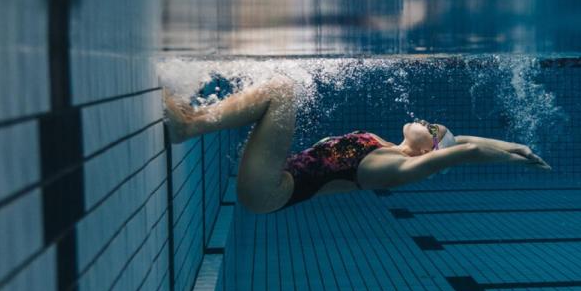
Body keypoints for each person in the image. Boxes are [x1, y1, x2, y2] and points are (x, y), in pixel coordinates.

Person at [163, 75, 551, 214]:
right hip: (274, 177)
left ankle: (189, 126)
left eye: (430, 129)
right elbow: (463, 140)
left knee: (281, 90)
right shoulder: (388, 145)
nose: (424, 122)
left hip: (269, 191)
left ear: (427, 152)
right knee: (278, 88)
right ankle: (194, 116)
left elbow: (462, 151)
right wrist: (516, 144)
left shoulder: (397, 169)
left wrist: (514, 162)